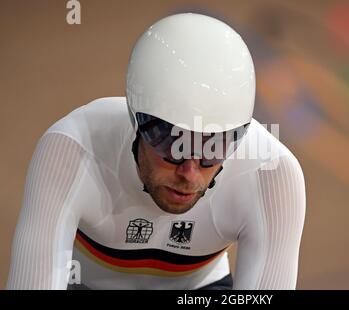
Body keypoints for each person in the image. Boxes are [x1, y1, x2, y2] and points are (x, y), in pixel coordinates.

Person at [7, 13, 306, 290]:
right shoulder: (70, 150)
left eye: (212, 150)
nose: (189, 174)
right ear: (137, 121)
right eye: (172, 148)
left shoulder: (272, 173)